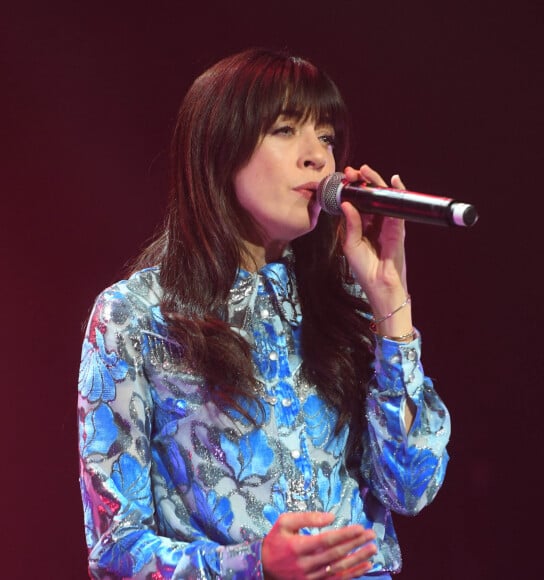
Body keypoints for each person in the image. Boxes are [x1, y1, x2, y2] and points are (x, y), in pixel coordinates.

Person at [78, 48, 450, 579]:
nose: (317, 157)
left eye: (325, 137)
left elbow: (411, 488)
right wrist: (254, 565)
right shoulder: (135, 317)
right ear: (220, 146)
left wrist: (392, 306)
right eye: (285, 129)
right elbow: (114, 551)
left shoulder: (346, 304)